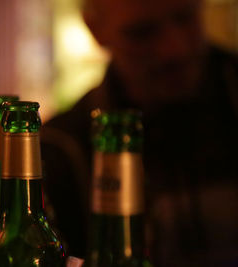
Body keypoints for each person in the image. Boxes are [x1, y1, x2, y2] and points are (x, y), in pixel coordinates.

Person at [40, 0, 238, 266]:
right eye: (142, 33)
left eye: (185, 18)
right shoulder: (61, 147)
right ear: (95, 29)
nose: (174, 49)